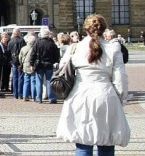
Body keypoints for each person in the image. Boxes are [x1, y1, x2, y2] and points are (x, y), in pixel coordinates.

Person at [56, 14, 130, 155]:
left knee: (83, 142)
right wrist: (121, 97)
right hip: (106, 94)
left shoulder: (75, 48)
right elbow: (120, 78)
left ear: (86, 30)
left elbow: (62, 69)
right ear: (104, 29)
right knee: (107, 141)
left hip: (80, 94)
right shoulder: (113, 49)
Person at [29, 27, 60, 103]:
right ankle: (51, 98)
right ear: (48, 34)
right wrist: (55, 61)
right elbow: (57, 54)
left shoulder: (37, 43)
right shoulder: (52, 43)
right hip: (49, 64)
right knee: (49, 81)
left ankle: (39, 99)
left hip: (39, 65)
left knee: (39, 82)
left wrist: (31, 64)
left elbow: (32, 54)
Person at [8, 28, 26, 99]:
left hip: (13, 61)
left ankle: (15, 94)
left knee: (14, 77)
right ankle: (20, 94)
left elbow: (8, 52)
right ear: (18, 33)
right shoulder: (22, 41)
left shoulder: (10, 41)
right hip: (20, 61)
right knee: (21, 77)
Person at [19, 33, 36, 102]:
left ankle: (25, 96)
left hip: (25, 65)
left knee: (26, 81)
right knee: (33, 81)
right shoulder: (35, 48)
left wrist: (22, 63)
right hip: (32, 66)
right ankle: (33, 96)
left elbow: (20, 57)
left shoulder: (23, 48)